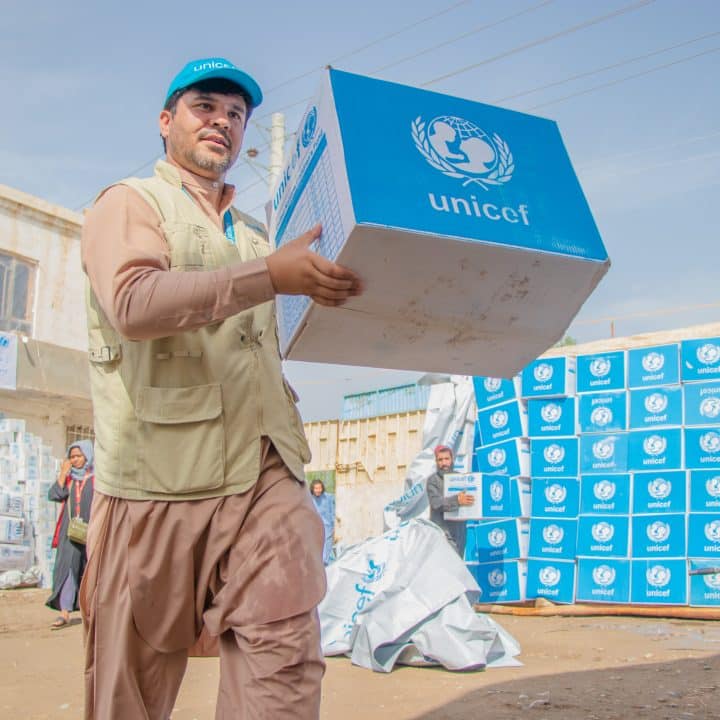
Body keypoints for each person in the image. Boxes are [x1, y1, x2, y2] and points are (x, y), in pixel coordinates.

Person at [79, 57, 362, 719]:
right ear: (166, 121)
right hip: (158, 480)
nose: (224, 122)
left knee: (284, 654)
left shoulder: (257, 234)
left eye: (236, 114)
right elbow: (133, 301)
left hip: (265, 468)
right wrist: (268, 275)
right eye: (206, 106)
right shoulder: (130, 203)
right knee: (130, 688)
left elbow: (274, 334)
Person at [46, 440, 94, 629]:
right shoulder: (69, 479)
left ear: (87, 456)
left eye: (78, 456)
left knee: (91, 570)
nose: (75, 460)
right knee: (67, 569)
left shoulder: (96, 479)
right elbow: (54, 495)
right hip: (70, 531)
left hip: (92, 529)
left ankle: (92, 611)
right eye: (72, 457)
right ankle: (64, 613)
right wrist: (62, 473)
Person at [425, 445, 474, 556]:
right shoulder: (433, 480)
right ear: (436, 462)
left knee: (459, 566)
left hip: (459, 533)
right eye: (440, 460)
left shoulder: (460, 478)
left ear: (452, 460)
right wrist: (457, 500)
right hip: (442, 533)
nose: (444, 463)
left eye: (447, 459)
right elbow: (436, 503)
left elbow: (471, 499)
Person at [310, 480, 336, 565]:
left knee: (326, 546)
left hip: (327, 526)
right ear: (312, 489)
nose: (318, 490)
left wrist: (333, 524)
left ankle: (325, 563)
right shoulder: (310, 499)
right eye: (316, 488)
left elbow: (333, 509)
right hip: (314, 527)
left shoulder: (328, 497)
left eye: (319, 488)